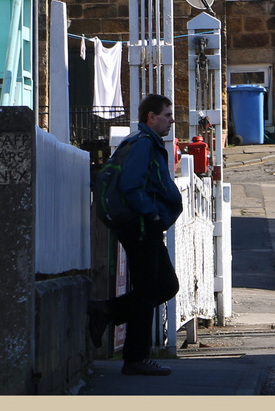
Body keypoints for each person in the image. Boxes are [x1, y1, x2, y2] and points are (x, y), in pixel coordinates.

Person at [88, 94, 184, 376]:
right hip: (141, 227)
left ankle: (106, 311)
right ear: (150, 118)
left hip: (144, 227)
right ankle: (135, 359)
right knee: (148, 291)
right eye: (166, 114)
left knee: (165, 286)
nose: (171, 120)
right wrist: (152, 213)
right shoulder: (143, 144)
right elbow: (131, 185)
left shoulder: (146, 143)